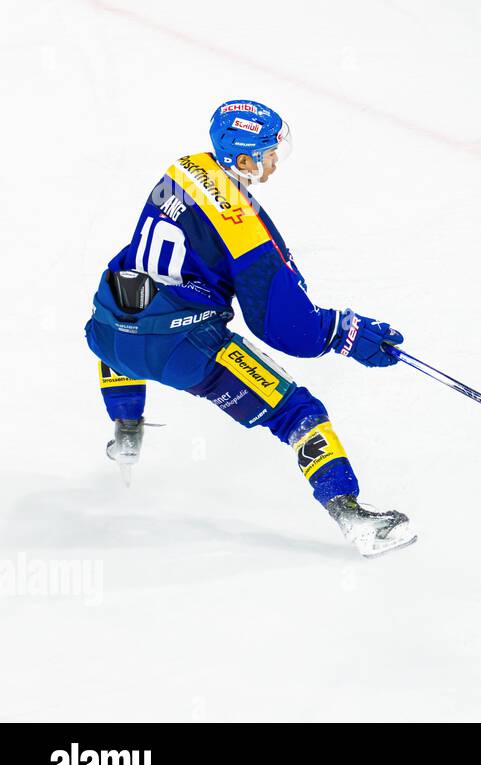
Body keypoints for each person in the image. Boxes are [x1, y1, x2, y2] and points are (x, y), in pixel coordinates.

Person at [84, 100, 416, 557]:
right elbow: (288, 328)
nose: (275, 163)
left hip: (107, 329)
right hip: (182, 348)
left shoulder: (183, 167)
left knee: (125, 335)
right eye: (268, 153)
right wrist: (345, 332)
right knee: (297, 412)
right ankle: (352, 515)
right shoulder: (243, 225)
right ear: (243, 159)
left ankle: (126, 434)